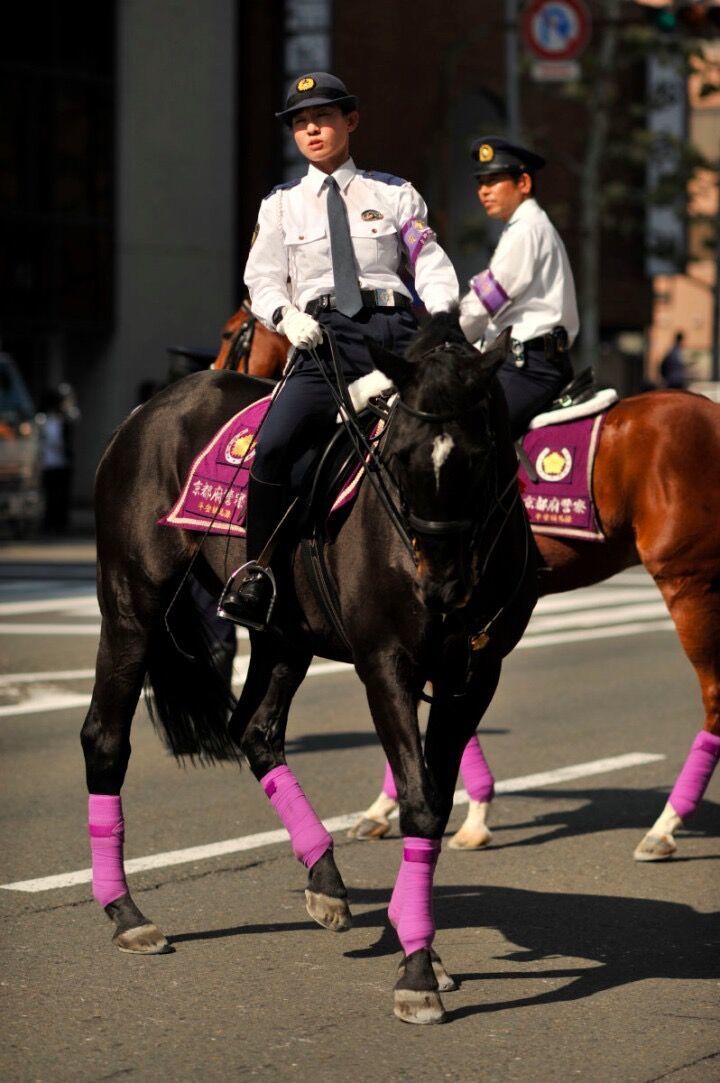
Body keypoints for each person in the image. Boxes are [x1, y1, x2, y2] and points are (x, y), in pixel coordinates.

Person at [219, 72, 459, 629]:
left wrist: (442, 316)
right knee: (275, 444)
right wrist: (286, 317)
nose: (312, 129)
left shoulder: (395, 193)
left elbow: (428, 260)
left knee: (451, 438)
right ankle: (258, 574)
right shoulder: (280, 205)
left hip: (394, 334)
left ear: (350, 121)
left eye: (322, 117)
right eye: (301, 123)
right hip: (319, 337)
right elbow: (263, 281)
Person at [458, 136, 579, 439]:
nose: (483, 190)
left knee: (470, 437)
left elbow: (483, 304)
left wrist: (444, 337)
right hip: (525, 360)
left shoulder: (526, 230)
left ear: (523, 183)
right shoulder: (527, 227)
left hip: (529, 367)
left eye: (495, 180)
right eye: (481, 182)